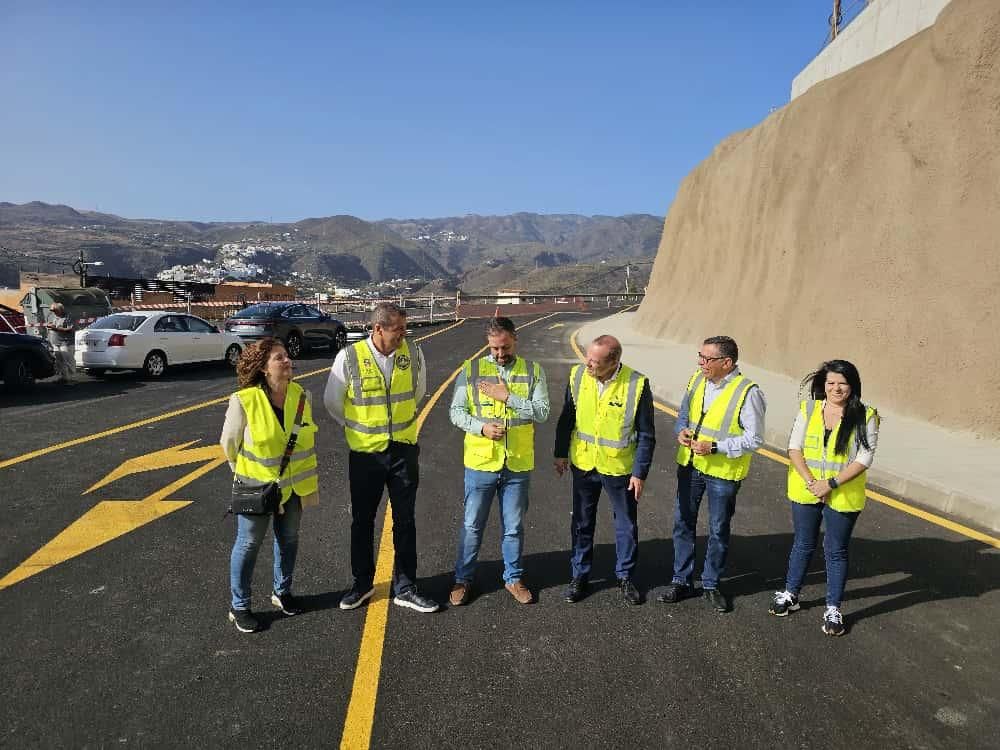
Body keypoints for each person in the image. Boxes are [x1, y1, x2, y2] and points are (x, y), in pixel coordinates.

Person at [324, 302, 439, 613]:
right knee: (362, 520)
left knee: (405, 520)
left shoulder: (412, 354)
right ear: (377, 329)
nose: (404, 333)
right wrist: (361, 429)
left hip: (403, 449)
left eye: (404, 327)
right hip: (366, 455)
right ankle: (362, 584)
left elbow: (419, 391)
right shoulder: (349, 358)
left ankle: (406, 586)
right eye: (398, 329)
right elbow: (333, 402)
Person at [769, 360, 879, 636]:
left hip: (842, 494)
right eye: (831, 383)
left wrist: (830, 484)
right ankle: (791, 594)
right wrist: (811, 482)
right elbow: (794, 448)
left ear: (852, 385)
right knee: (803, 544)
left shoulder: (866, 416)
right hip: (807, 489)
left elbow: (864, 458)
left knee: (836, 550)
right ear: (823, 385)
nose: (836, 388)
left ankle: (833, 608)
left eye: (842, 383)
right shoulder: (808, 409)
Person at [448, 317, 550, 606]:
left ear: (515, 339)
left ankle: (514, 579)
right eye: (494, 348)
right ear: (487, 344)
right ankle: (463, 579)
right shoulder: (470, 371)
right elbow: (456, 413)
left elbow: (542, 412)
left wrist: (509, 398)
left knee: (514, 527)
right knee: (471, 526)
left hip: (517, 464)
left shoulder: (533, 371)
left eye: (504, 347)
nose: (500, 354)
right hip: (480, 464)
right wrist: (482, 428)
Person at [659, 335, 766, 613]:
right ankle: (681, 580)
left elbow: (754, 439)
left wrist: (716, 447)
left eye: (707, 358)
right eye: (700, 356)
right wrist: (680, 430)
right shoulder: (697, 379)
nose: (700, 362)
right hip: (691, 465)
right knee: (683, 523)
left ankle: (711, 583)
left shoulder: (748, 392)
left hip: (722, 473)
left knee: (718, 530)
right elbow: (684, 413)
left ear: (727, 362)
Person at [220, 337, 319, 633]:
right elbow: (229, 444)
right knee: (249, 544)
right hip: (256, 488)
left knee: (288, 540)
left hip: (294, 486)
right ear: (263, 368)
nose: (286, 361)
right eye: (279, 358)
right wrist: (243, 474)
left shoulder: (302, 396)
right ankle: (239, 607)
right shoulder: (244, 400)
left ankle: (282, 592)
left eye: (287, 356)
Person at [554, 335, 655, 605]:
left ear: (614, 362)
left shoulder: (636, 384)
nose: (588, 364)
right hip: (584, 464)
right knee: (582, 523)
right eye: (588, 357)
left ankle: (624, 577)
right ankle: (580, 576)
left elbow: (646, 434)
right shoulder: (577, 376)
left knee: (625, 525)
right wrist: (560, 452)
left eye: (596, 362)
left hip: (619, 468)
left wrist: (639, 473)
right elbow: (567, 417)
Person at [45, 302, 77, 384]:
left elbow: (70, 329)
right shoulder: (55, 316)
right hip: (56, 341)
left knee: (68, 360)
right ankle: (64, 377)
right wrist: (51, 325)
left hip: (66, 342)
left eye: (55, 310)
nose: (54, 312)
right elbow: (54, 325)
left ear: (61, 309)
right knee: (59, 361)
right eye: (53, 311)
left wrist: (55, 328)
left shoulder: (68, 317)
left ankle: (71, 378)